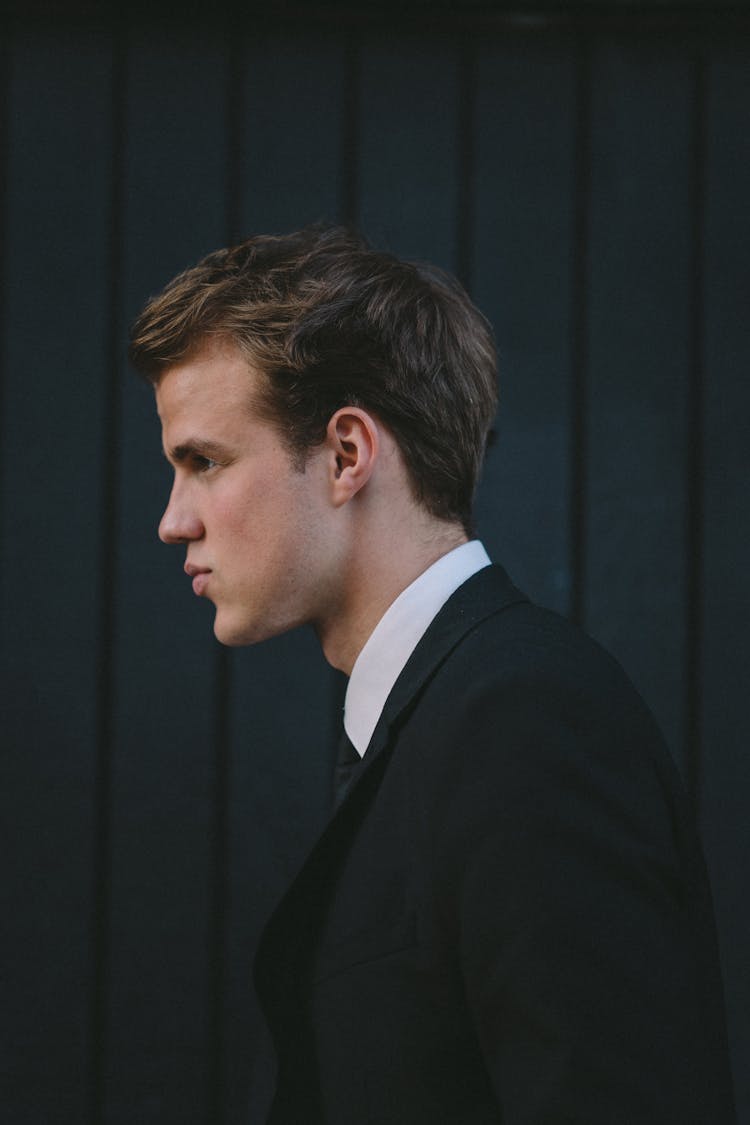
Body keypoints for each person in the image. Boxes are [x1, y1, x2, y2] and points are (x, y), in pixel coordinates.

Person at [129, 224, 736, 1124]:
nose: (173, 521)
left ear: (346, 454)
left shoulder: (525, 719)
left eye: (204, 462)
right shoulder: (437, 716)